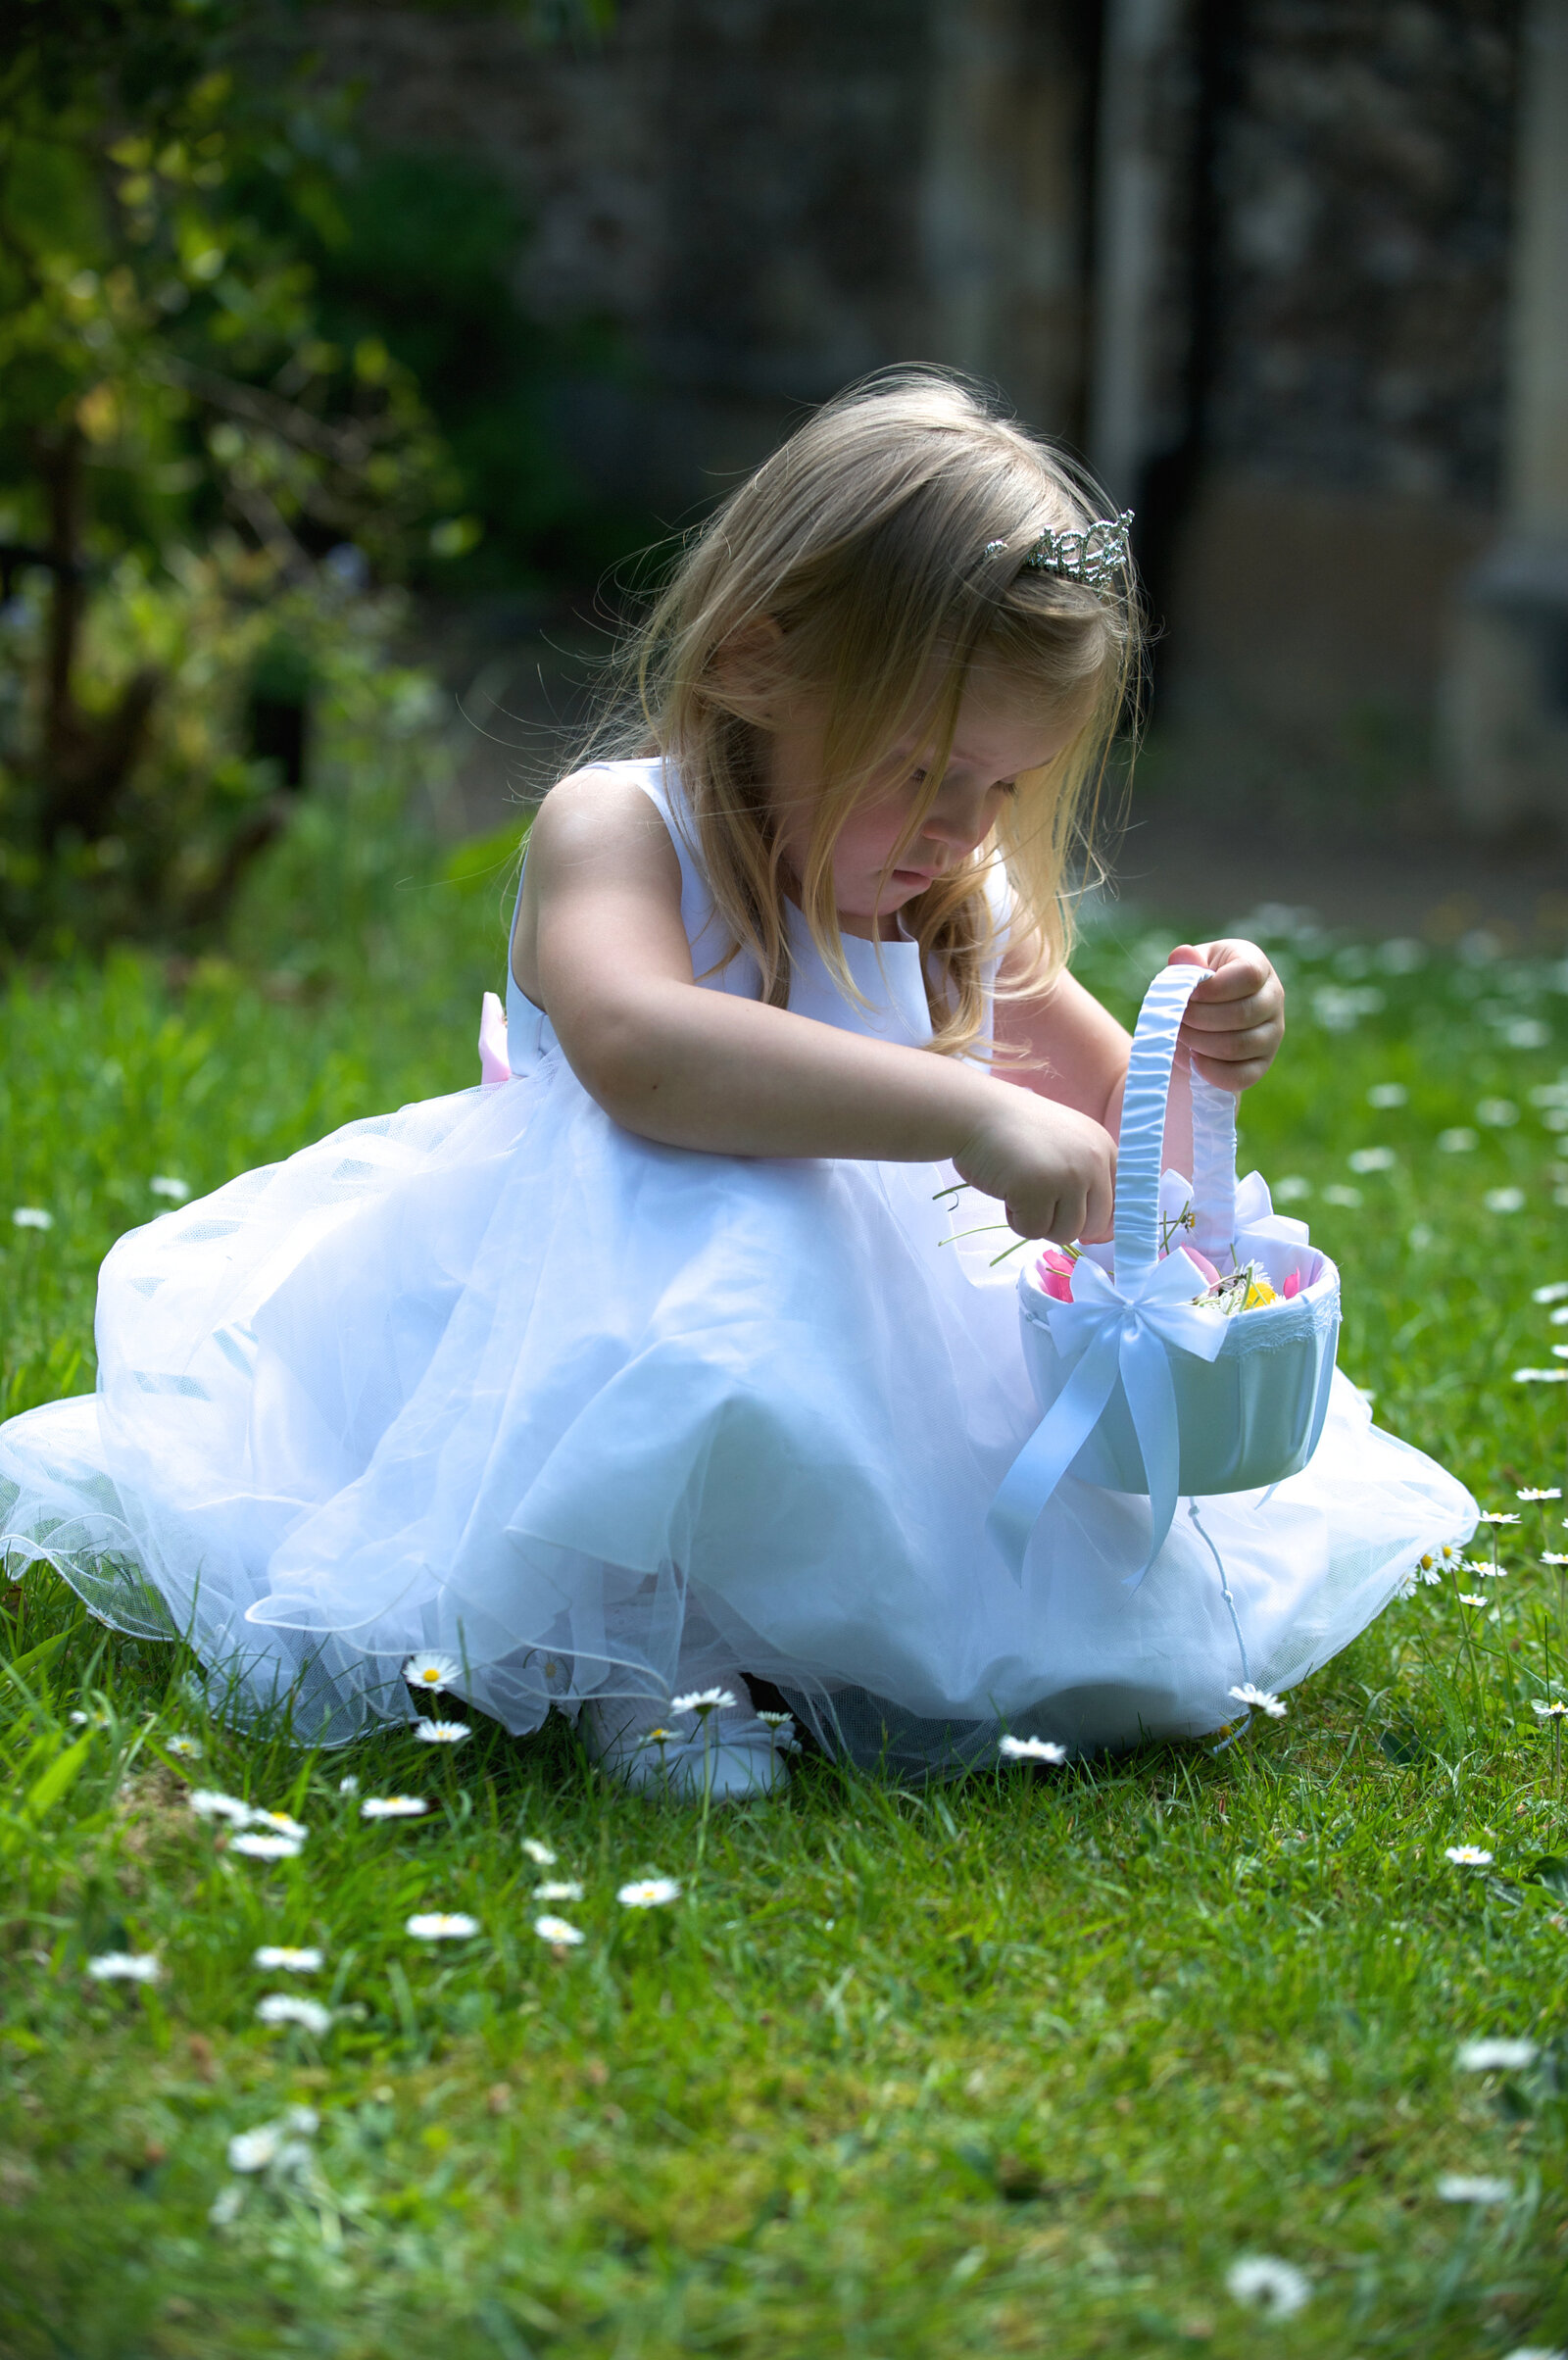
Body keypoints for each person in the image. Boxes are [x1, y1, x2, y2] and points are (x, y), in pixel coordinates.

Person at [0, 371, 1472, 1795]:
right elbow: (643, 1054)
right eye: (920, 771)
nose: (961, 831)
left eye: (1005, 791)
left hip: (872, 1373)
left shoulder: (955, 897)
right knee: (721, 1214)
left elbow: (1106, 1131)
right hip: (607, 1316)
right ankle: (662, 1642)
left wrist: (1203, 1047)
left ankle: (843, 1630)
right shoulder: (624, 830)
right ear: (756, 665)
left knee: (1021, 1568)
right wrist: (961, 1108)